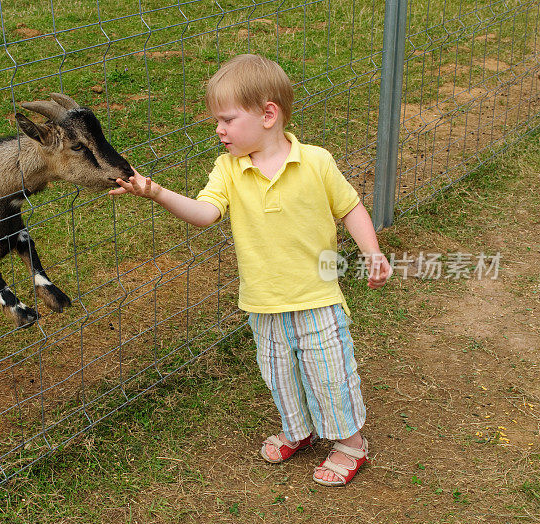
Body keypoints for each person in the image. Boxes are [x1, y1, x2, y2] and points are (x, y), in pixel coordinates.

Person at [109, 54, 392, 486]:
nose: (218, 130)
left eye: (226, 119)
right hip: (262, 302)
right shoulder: (229, 168)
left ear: (268, 115)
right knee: (279, 371)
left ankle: (350, 443)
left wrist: (371, 251)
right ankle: (299, 430)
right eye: (216, 121)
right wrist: (158, 193)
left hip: (316, 298)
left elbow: (350, 207)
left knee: (330, 372)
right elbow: (205, 213)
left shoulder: (316, 161)